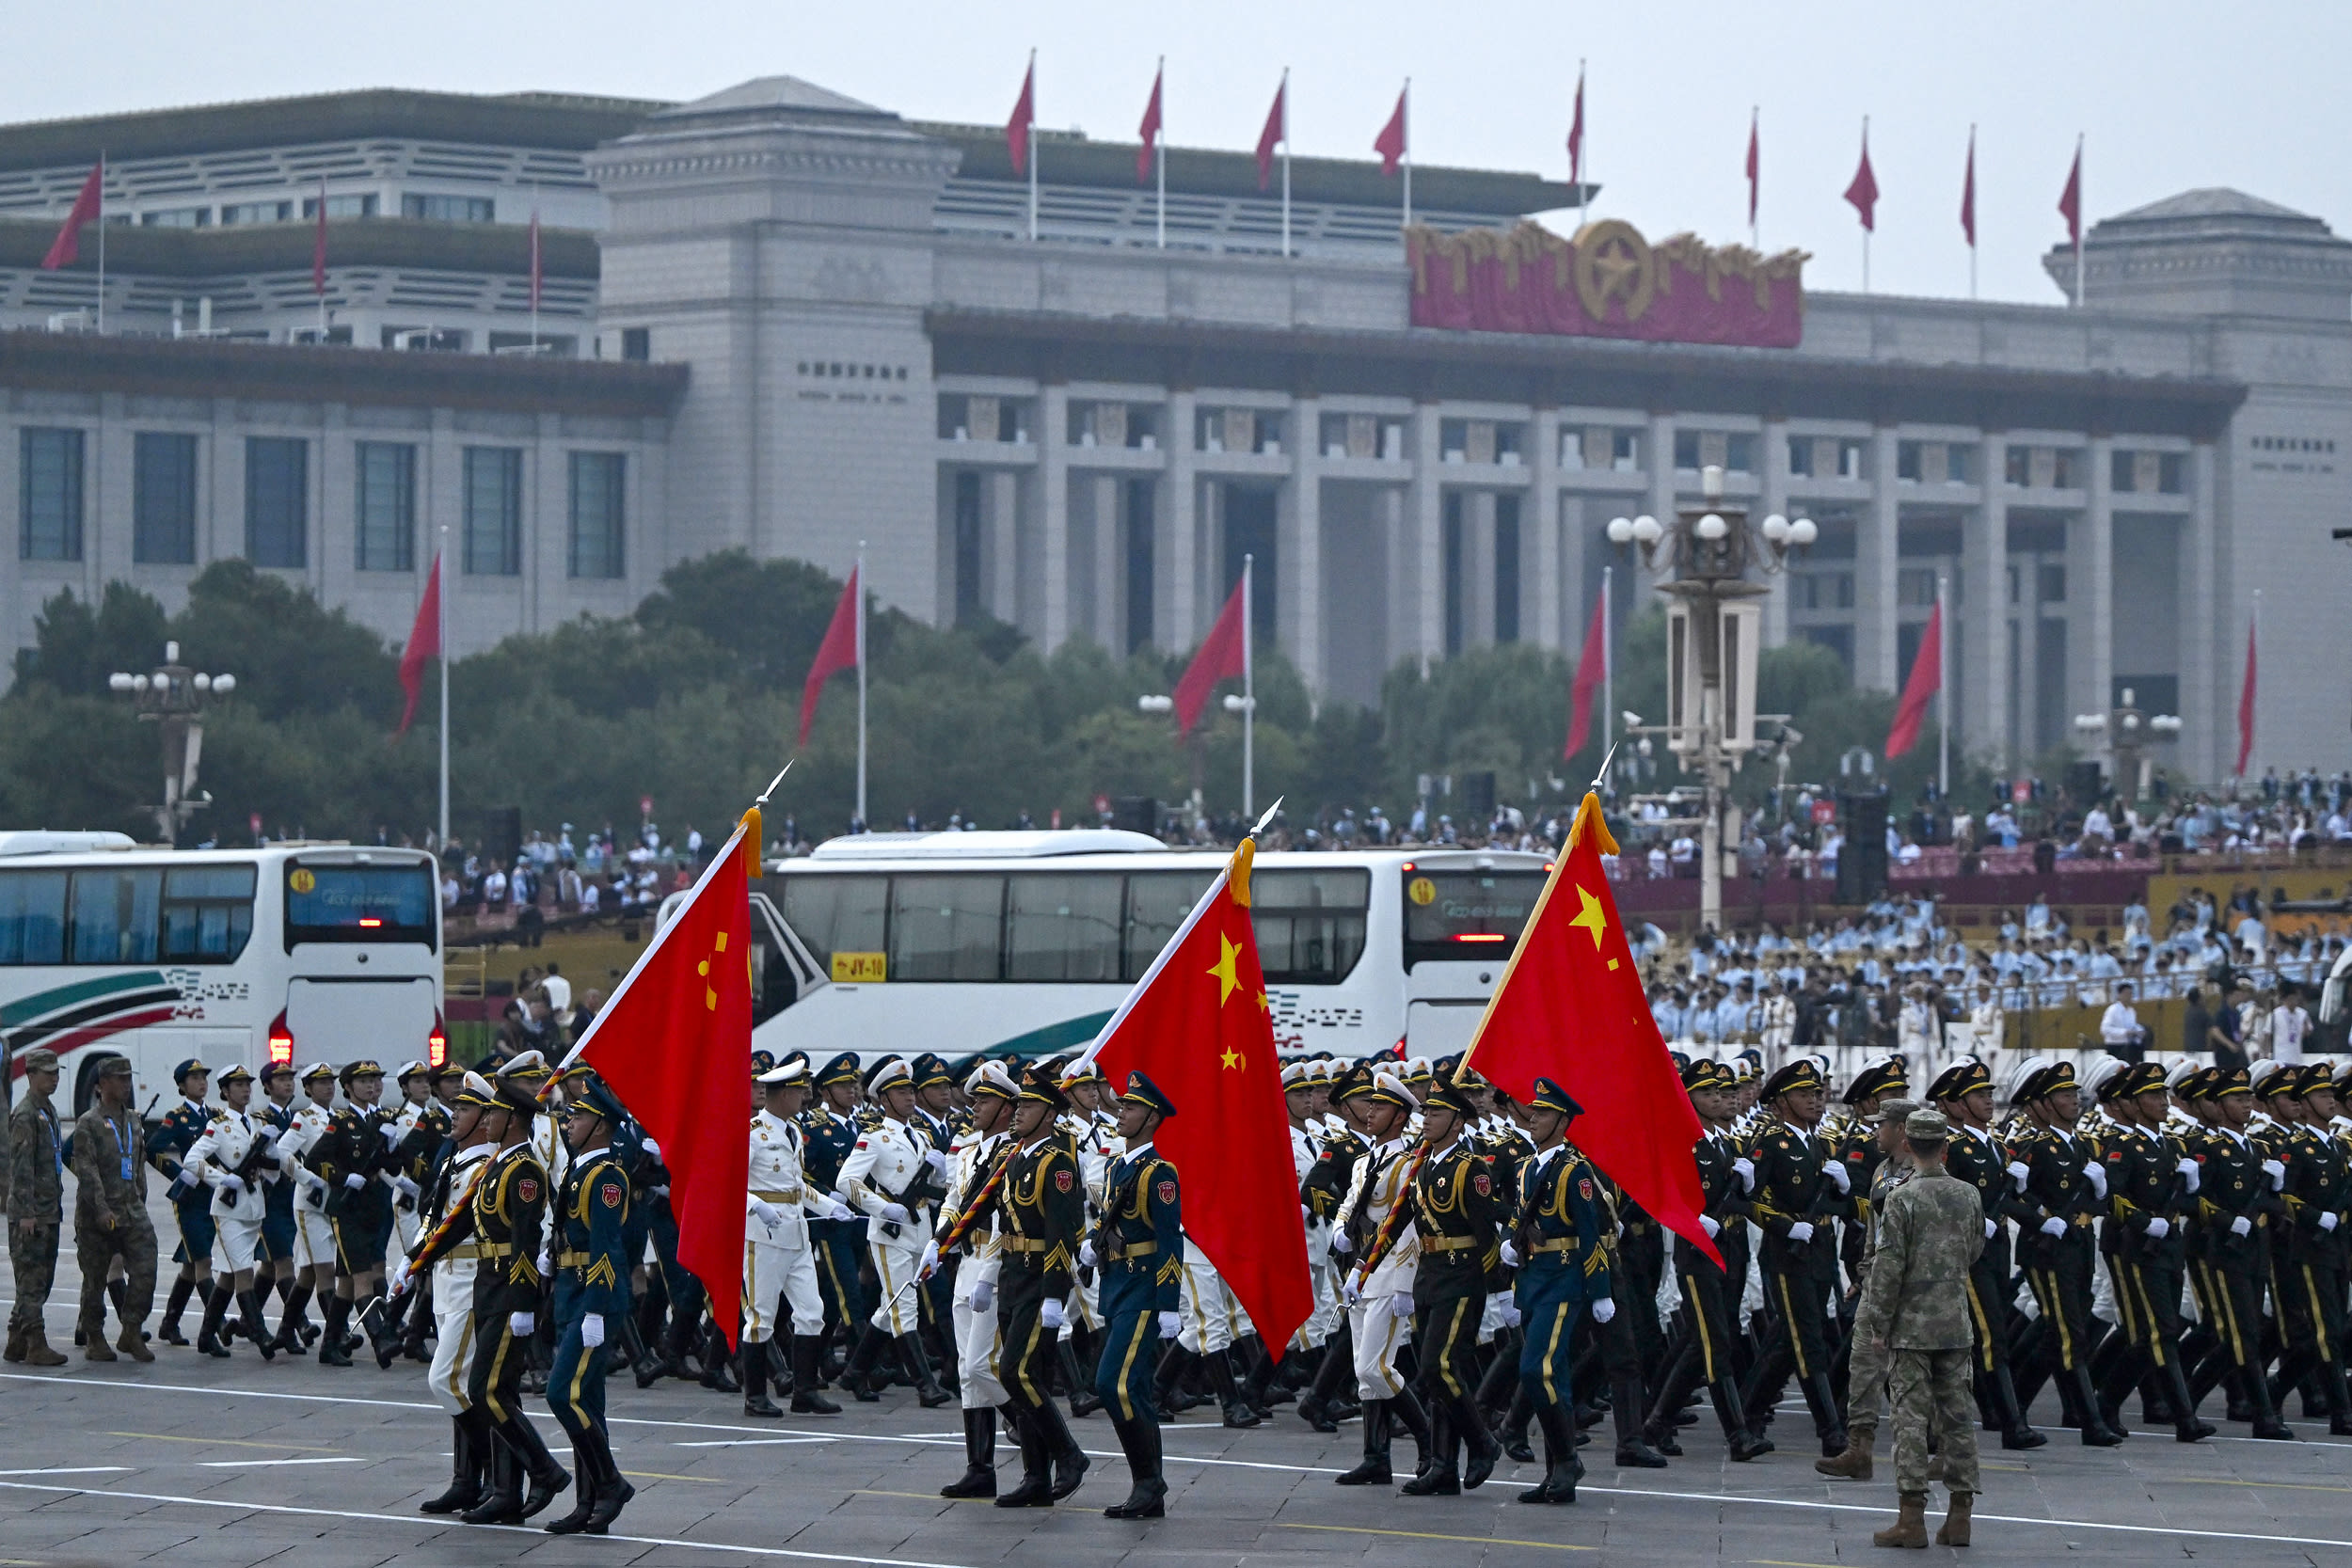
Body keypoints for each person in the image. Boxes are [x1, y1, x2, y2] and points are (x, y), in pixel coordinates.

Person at [929, 1064, 1088, 1508]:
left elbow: (1062, 1233)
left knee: (1015, 1370)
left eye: (1028, 1106)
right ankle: (1035, 1477)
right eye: (1017, 1105)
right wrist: (939, 1243)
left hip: (1036, 1276)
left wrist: (1056, 1294)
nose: (1018, 1112)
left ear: (1050, 1113)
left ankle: (1068, 1454)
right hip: (1011, 1274)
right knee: (1003, 1371)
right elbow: (974, 1206)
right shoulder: (1012, 1157)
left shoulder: (1057, 1162)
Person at [1352, 1075, 1504, 1497]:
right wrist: (1363, 1267)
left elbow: (1485, 1231)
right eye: (1426, 1112)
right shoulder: (1422, 1165)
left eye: (1436, 1113)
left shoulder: (1470, 1167)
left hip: (1461, 1275)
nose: (1426, 1119)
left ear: (1457, 1122)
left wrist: (1501, 1289)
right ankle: (1442, 1466)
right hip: (1429, 1277)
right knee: (1435, 1375)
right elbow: (1395, 1222)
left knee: (1440, 1366)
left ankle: (1482, 1442)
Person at [1852, 1109, 1983, 1549]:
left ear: (1908, 1145)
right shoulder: (1967, 1194)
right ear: (1946, 1147)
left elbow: (1888, 1266)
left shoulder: (1901, 1198)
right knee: (1958, 1418)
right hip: (1954, 1322)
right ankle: (1960, 1515)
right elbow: (1976, 1249)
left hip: (1910, 1328)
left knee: (1910, 1420)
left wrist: (1878, 1323)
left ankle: (1911, 1518)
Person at [1508, 1076, 1616, 1505]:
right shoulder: (1526, 1168)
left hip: (1564, 1279)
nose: (1533, 1118)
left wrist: (1600, 1290)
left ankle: (1568, 1458)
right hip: (1533, 1279)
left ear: (1563, 1120)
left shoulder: (1575, 1171)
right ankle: (1558, 1476)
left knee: (1537, 1369)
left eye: (1544, 1113)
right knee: (1556, 1376)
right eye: (1533, 1111)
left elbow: (1592, 1234)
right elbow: (1522, 1219)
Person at [540, 1079, 636, 1535]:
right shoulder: (578, 1169)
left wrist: (596, 1309)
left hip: (593, 1296)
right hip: (570, 1291)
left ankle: (610, 1482)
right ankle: (590, 1502)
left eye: (577, 1117)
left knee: (562, 1393)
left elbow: (606, 1245)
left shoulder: (607, 1175)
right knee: (588, 1401)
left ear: (601, 1126)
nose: (569, 1122)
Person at [1087, 1069, 1184, 1519]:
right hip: (1117, 1285)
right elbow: (1111, 1223)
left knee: (1114, 1383)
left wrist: (1168, 1303)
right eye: (1122, 1105)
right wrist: (1092, 1249)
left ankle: (1150, 1482)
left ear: (1151, 1118)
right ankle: (1149, 1490)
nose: (1121, 1112)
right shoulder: (1116, 1167)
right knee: (1136, 1388)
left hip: (1144, 1290)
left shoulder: (1159, 1173)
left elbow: (1169, 1240)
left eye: (1130, 1107)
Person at [834, 1056, 948, 1406]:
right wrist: (882, 1207)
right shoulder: (875, 1137)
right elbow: (846, 1181)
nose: (910, 1097)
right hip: (889, 1232)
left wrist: (940, 1173)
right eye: (900, 1092)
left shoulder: (923, 1137)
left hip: (919, 1228)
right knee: (904, 1306)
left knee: (890, 1307)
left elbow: (935, 1188)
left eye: (911, 1091)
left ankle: (854, 1373)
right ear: (883, 1099)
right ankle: (925, 1385)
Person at [932, 1060, 1021, 1497]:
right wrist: (937, 1241)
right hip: (964, 1263)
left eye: (985, 1100)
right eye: (977, 1098)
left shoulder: (1013, 1154)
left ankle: (1033, 1427)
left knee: (980, 1364)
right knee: (969, 1376)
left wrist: (988, 1273)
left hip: (994, 1264)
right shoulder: (968, 1152)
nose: (976, 1106)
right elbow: (954, 1200)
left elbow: (1008, 1219)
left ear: (1006, 1108)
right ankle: (980, 1468)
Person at [1819, 1097, 1918, 1481]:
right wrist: (1862, 1276)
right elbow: (1874, 1233)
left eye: (1883, 1125)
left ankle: (1937, 1444)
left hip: (1909, 1289)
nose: (1876, 1130)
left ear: (1902, 1131)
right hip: (1876, 1284)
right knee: (1862, 1366)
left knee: (1912, 1372)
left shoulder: (1925, 1173)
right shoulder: (1881, 1170)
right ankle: (1858, 1448)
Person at [742, 1059, 848, 1418]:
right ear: (783, 1093)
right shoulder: (754, 1132)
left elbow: (797, 1185)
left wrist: (827, 1206)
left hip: (797, 1231)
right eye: (800, 1091)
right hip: (764, 1234)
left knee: (812, 1311)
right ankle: (755, 1395)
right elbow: (728, 1182)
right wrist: (756, 1205)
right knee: (761, 1316)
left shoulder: (791, 1131)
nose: (805, 1097)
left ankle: (804, 1391)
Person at [181, 1065, 279, 1359]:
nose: (245, 1090)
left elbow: (272, 1170)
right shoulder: (219, 1126)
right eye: (237, 1086)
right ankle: (260, 1334)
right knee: (243, 1272)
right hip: (229, 1209)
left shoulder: (260, 1122)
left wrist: (271, 1148)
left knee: (225, 1276)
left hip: (253, 1206)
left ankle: (206, 1336)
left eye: (247, 1085)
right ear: (224, 1092)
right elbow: (191, 1160)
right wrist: (221, 1179)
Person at [72, 1055, 156, 1363]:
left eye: (128, 1078)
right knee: (94, 1278)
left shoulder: (132, 1120)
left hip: (131, 1209)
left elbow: (138, 1163)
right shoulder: (88, 1123)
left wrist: (141, 1196)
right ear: (102, 1084)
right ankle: (94, 1336)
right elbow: (87, 1168)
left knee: (146, 1265)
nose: (125, 1084)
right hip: (98, 1213)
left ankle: (131, 1329)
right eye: (119, 1079)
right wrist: (101, 1208)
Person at [147, 1058, 219, 1351]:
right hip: (189, 1199)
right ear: (181, 1085)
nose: (201, 1082)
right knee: (203, 1262)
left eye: (203, 1077)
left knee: (191, 1265)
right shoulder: (176, 1118)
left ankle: (170, 1323)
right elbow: (152, 1150)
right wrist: (179, 1174)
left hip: (211, 1197)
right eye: (194, 1078)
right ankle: (217, 1326)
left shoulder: (216, 1115)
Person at [6, 1047, 68, 1367]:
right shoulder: (27, 1114)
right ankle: (35, 1344)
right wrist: (26, 1213)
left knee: (42, 1279)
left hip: (48, 1209)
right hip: (30, 1213)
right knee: (31, 1280)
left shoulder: (48, 1110)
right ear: (31, 1076)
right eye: (48, 1074)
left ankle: (16, 1338)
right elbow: (21, 1169)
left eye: (57, 1073)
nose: (54, 1079)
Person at [2099, 982, 2150, 1063]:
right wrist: (2125, 1032)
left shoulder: (2131, 1011)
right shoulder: (2113, 1010)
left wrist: (2139, 1031)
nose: (2129, 996)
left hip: (2130, 1047)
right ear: (2119, 995)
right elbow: (2104, 1029)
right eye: (2126, 993)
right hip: (2115, 1046)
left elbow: (2133, 1026)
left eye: (2130, 993)